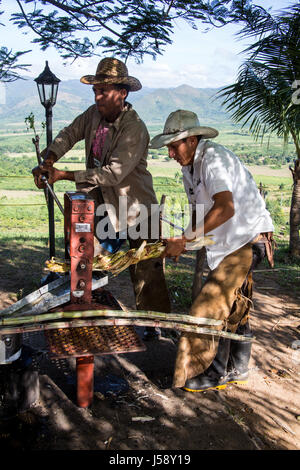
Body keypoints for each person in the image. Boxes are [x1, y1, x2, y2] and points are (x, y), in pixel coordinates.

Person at [32, 57, 171, 338]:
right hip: (103, 204)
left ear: (122, 93)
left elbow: (112, 175)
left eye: (103, 92)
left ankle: (158, 328)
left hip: (137, 209)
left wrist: (63, 175)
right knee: (88, 257)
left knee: (147, 275)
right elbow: (68, 134)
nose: (97, 97)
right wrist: (48, 160)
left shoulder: (135, 128)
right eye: (95, 91)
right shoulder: (92, 115)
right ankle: (89, 310)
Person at [150, 109, 275, 391]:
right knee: (236, 306)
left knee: (210, 305)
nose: (170, 153)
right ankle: (239, 367)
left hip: (247, 239)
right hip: (228, 242)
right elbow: (201, 215)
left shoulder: (213, 159)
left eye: (174, 145)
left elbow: (225, 207)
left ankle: (213, 372)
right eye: (168, 147)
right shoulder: (188, 169)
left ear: (193, 140)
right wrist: (183, 242)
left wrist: (184, 240)